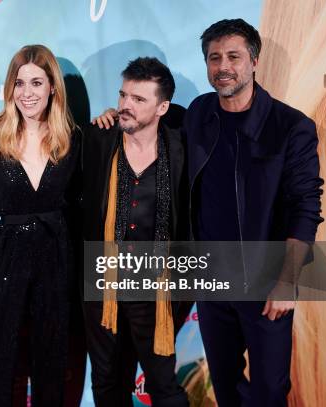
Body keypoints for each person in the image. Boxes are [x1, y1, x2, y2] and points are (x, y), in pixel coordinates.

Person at [184, 19, 323, 406]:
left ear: (254, 61)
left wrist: (287, 282)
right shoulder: (198, 113)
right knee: (226, 388)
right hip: (211, 282)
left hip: (266, 284)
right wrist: (119, 115)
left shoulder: (291, 126)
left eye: (233, 56)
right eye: (214, 58)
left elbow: (306, 207)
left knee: (268, 391)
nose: (223, 66)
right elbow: (159, 130)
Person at [0, 44, 80, 407]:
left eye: (36, 82)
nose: (27, 93)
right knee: (0, 360)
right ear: (10, 89)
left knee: (52, 360)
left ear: (53, 87)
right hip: (4, 259)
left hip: (56, 258)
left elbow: (81, 205)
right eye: (19, 84)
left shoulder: (73, 139)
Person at [85, 57, 191, 406]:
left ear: (163, 107)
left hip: (157, 291)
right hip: (103, 287)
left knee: (164, 388)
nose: (125, 105)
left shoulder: (181, 147)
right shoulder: (98, 139)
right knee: (106, 385)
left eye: (139, 99)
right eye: (123, 95)